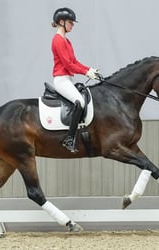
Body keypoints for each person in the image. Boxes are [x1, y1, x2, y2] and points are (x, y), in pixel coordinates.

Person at [51, 7, 99, 153]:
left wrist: (90, 70)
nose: (72, 25)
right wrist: (85, 72)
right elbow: (68, 65)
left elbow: (75, 62)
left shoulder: (67, 41)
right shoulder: (58, 40)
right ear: (61, 22)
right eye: (70, 22)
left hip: (67, 79)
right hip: (61, 79)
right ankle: (69, 139)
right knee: (79, 102)